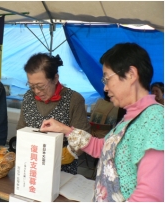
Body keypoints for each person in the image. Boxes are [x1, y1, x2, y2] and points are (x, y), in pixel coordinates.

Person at [40, 43, 164, 201]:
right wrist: (65, 130)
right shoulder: (131, 118)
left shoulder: (155, 120)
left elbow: (150, 196)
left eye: (107, 78)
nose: (105, 88)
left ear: (131, 74)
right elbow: (103, 148)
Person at [17, 53, 91, 175]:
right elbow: (21, 129)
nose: (36, 91)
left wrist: (62, 156)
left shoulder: (73, 100)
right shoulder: (28, 97)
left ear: (55, 78)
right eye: (32, 86)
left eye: (40, 86)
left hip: (62, 170)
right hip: (31, 167)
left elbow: (84, 138)